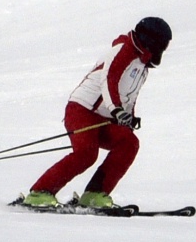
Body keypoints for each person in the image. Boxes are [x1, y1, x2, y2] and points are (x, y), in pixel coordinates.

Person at [21, 17, 171, 209]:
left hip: (106, 117)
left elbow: (129, 97)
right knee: (86, 154)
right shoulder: (124, 50)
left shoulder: (142, 67)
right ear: (152, 40)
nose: (163, 49)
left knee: (129, 143)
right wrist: (116, 110)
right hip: (82, 109)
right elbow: (109, 80)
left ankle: (95, 194)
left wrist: (128, 117)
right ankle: (39, 193)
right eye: (163, 44)